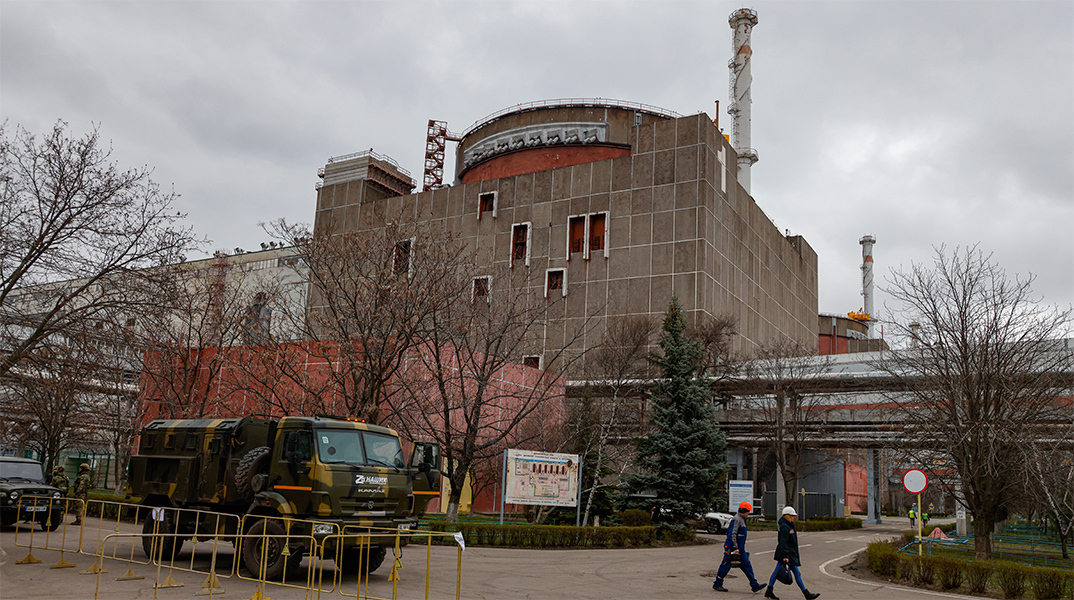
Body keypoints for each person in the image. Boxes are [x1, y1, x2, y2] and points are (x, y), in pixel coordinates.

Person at [764, 506, 819, 600]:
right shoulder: (785, 527)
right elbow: (783, 542)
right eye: (792, 516)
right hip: (786, 554)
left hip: (788, 553)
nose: (794, 517)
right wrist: (785, 555)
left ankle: (769, 591)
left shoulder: (788, 525)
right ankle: (806, 594)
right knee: (796, 573)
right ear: (787, 516)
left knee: (778, 572)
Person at [713, 501, 767, 594]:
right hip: (732, 548)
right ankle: (717, 583)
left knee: (747, 566)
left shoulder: (741, 519)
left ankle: (754, 585)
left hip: (740, 549)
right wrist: (735, 547)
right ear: (744, 511)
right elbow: (732, 534)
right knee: (726, 565)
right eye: (748, 511)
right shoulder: (737, 519)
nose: (749, 513)